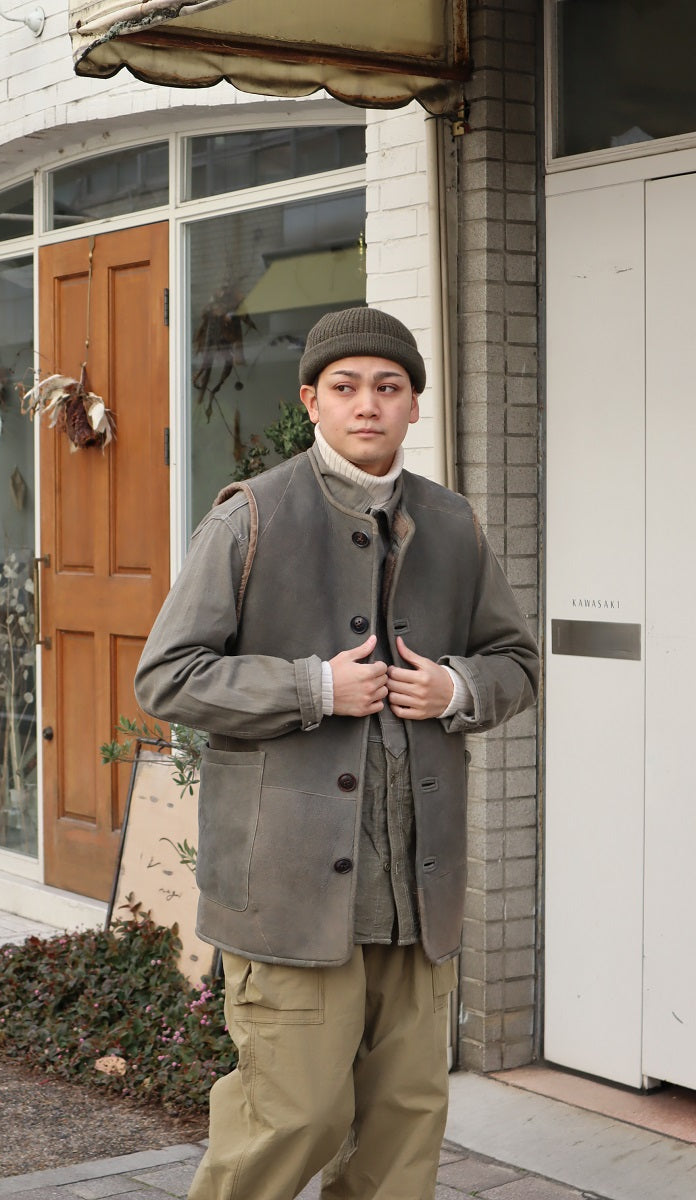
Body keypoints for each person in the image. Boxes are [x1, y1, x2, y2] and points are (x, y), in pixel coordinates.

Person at [135, 306, 539, 1200]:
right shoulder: (250, 517)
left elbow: (516, 661)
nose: (369, 406)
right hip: (290, 891)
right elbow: (166, 677)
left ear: (413, 407)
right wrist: (309, 689)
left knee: (403, 1133)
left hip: (415, 893)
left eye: (388, 388)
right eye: (347, 388)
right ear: (312, 401)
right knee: (293, 1120)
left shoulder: (454, 524)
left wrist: (457, 691)